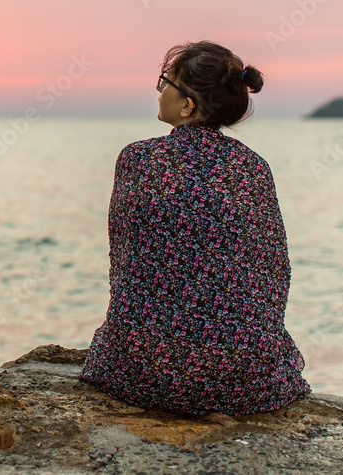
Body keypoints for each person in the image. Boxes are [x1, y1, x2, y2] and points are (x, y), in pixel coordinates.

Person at [78, 40, 312, 416]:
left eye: (164, 83)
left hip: (141, 371)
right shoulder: (253, 168)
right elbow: (274, 271)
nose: (158, 92)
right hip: (245, 376)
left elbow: (123, 268)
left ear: (187, 105)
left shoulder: (138, 158)